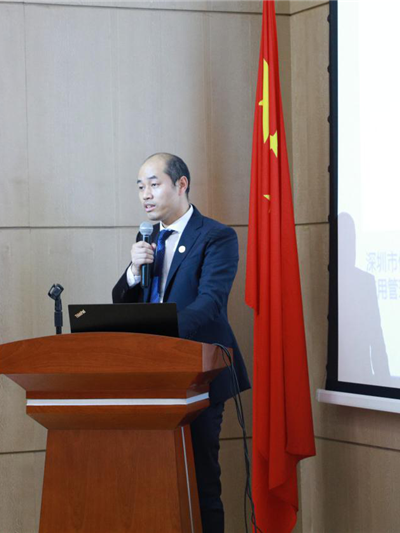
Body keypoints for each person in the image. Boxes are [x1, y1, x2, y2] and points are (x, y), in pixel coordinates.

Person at [112, 153, 251, 533]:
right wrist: (133, 270)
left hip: (199, 376)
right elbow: (121, 302)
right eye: (140, 187)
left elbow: (210, 303)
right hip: (151, 378)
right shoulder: (146, 239)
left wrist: (161, 335)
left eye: (154, 184)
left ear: (181, 184)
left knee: (201, 480)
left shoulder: (216, 236)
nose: (146, 194)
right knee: (152, 481)